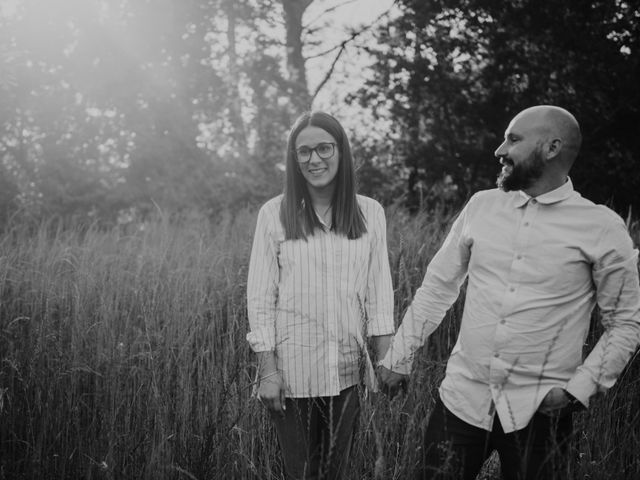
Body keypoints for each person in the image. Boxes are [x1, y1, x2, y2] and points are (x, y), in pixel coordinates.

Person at [377, 105, 640, 480]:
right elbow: (438, 286)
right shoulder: (481, 207)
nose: (499, 150)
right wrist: (399, 356)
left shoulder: (601, 227)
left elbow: (625, 322)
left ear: (551, 148)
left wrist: (578, 389)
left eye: (513, 139)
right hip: (461, 402)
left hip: (541, 414)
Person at [246, 111, 395, 479]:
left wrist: (387, 361)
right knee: (300, 473)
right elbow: (261, 298)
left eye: (324, 148)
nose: (315, 159)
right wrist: (268, 373)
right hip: (292, 376)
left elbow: (379, 293)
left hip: (348, 374)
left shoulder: (370, 213)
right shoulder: (274, 214)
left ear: (341, 151)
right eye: (304, 152)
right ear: (294, 160)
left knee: (336, 472)